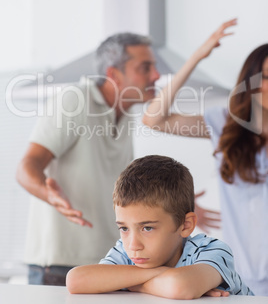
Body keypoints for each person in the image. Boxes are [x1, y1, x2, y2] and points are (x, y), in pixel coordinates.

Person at [16, 32, 218, 286]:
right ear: (114, 74)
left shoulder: (125, 114)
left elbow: (130, 190)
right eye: (145, 67)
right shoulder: (74, 101)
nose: (156, 75)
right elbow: (26, 167)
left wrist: (173, 204)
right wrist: (51, 196)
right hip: (60, 264)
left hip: (105, 262)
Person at [142, 19, 268, 296]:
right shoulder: (226, 123)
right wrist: (196, 57)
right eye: (266, 78)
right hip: (241, 276)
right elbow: (154, 119)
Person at [66, 155, 253, 298]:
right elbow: (76, 280)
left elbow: (179, 287)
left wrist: (128, 283)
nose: (133, 245)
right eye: (124, 228)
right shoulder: (125, 252)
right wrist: (161, 274)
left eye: (147, 228)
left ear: (185, 225)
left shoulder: (212, 250)